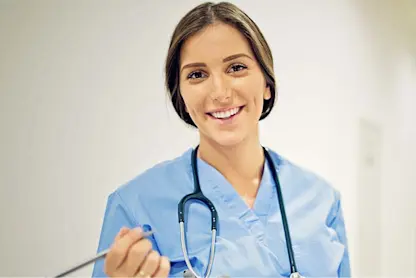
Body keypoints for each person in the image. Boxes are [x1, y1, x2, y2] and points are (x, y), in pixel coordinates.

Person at [92, 1, 351, 277]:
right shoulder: (135, 206)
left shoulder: (321, 200)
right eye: (197, 74)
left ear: (266, 82)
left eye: (236, 68)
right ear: (180, 95)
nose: (220, 92)